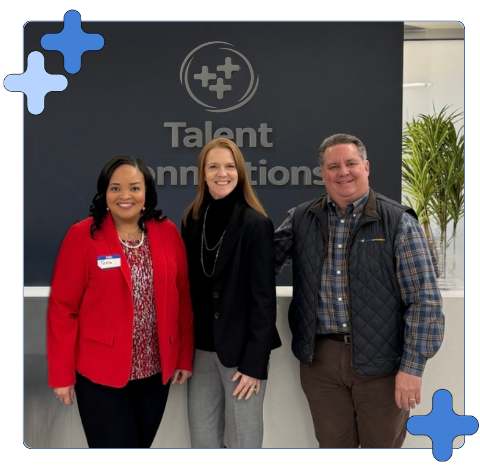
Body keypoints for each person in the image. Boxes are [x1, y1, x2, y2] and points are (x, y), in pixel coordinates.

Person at [274, 133, 445, 448]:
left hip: (383, 365)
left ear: (366, 167)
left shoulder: (399, 222)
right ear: (323, 173)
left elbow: (424, 300)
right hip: (321, 364)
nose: (343, 172)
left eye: (351, 163)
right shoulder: (301, 219)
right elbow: (259, 265)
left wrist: (412, 368)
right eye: (333, 166)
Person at [46, 155, 194, 449]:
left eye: (134, 188)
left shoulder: (167, 232)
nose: (125, 196)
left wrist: (183, 357)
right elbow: (63, 309)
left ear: (146, 192)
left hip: (155, 373)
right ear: (104, 193)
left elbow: (183, 297)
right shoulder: (82, 236)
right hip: (101, 374)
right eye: (115, 188)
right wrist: (61, 375)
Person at [181, 137, 282, 448]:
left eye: (229, 166)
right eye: (213, 166)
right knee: (203, 441)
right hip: (200, 353)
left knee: (243, 441)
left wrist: (255, 364)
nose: (221, 173)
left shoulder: (256, 224)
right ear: (203, 173)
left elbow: (264, 302)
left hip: (242, 356)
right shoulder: (191, 220)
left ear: (240, 172)